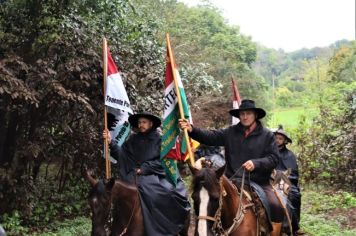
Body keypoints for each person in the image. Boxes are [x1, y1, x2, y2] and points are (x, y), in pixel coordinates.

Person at [179, 99, 284, 236]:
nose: (245, 117)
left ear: (255, 115)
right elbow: (210, 137)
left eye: (248, 114)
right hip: (232, 179)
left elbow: (274, 158)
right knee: (210, 201)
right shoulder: (231, 132)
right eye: (242, 114)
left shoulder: (267, 135)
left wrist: (256, 163)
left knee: (275, 205)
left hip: (258, 181)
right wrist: (192, 129)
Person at [103, 112, 190, 236]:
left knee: (163, 192)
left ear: (151, 123)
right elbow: (123, 156)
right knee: (120, 191)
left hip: (158, 174)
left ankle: (163, 227)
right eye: (139, 122)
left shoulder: (160, 139)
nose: (141, 125)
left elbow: (165, 160)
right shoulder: (133, 139)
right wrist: (111, 142)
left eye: (143, 122)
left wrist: (144, 168)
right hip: (134, 174)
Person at [274, 125, 302, 235]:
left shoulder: (290, 155)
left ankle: (295, 226)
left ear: (285, 141)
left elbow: (294, 173)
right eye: (276, 138)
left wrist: (282, 176)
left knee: (294, 195)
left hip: (286, 180)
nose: (277, 140)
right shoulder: (268, 151)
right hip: (268, 179)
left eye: (280, 139)